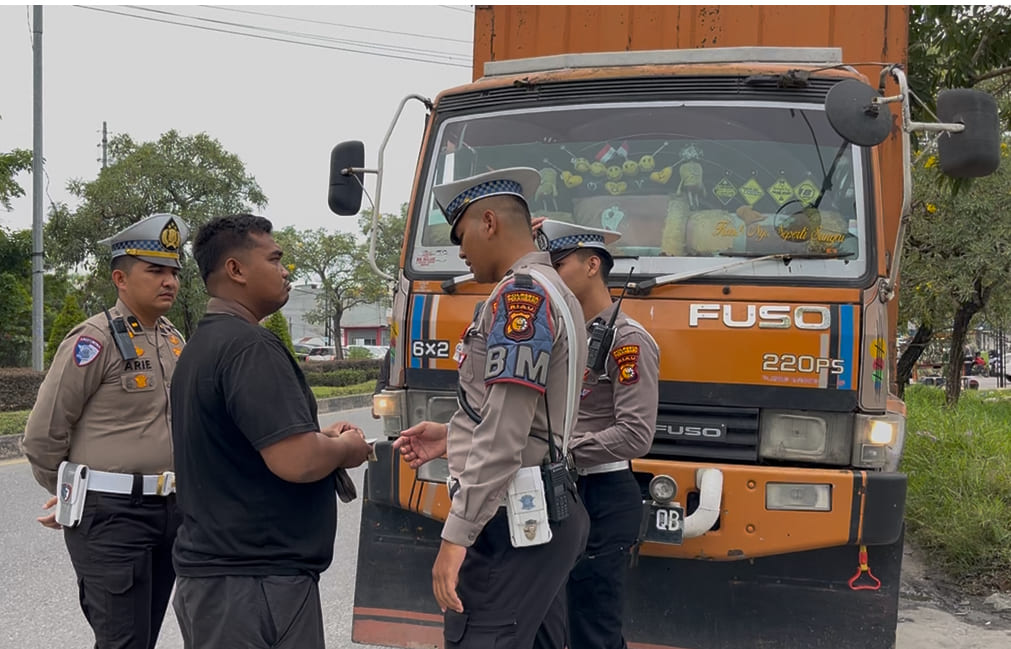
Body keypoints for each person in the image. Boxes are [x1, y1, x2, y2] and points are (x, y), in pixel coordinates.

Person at [393, 168, 590, 649]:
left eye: (461, 237)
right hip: (543, 510)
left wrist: (455, 538)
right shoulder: (556, 291)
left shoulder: (521, 295)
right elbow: (517, 415)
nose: (460, 252)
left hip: (512, 519)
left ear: (488, 222)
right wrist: (451, 435)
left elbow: (506, 433)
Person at [168, 213, 372, 649]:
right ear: (236, 270)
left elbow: (254, 444)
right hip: (254, 583)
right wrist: (346, 449)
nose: (285, 271)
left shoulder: (204, 343)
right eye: (275, 259)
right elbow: (296, 460)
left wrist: (323, 439)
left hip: (225, 580)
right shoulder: (249, 346)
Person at [23, 213, 190, 649]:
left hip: (170, 510)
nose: (168, 281)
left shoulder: (173, 340)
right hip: (112, 516)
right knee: (122, 640)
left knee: (143, 637)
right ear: (120, 277)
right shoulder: (93, 340)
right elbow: (43, 435)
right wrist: (70, 492)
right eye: (155, 270)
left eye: (173, 271)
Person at [538, 219, 660, 649]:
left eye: (559, 263)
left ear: (593, 265)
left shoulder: (626, 340)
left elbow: (635, 434)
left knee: (593, 628)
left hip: (601, 495)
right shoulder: (557, 331)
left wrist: (561, 453)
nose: (551, 274)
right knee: (549, 622)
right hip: (558, 491)